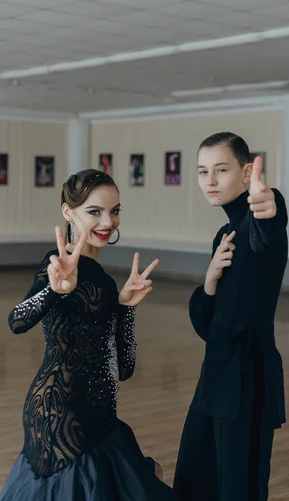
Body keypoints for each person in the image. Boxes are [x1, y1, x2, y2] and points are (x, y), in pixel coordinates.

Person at [1, 169, 176, 501]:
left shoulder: (103, 278)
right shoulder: (59, 264)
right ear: (68, 212)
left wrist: (126, 308)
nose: (108, 221)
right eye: (94, 211)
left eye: (114, 210)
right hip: (59, 416)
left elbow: (123, 369)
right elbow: (17, 320)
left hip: (99, 416)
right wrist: (53, 290)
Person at [173, 132, 288, 501]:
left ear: (246, 172)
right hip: (216, 376)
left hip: (248, 379)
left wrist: (270, 207)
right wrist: (208, 281)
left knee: (240, 486)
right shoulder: (224, 234)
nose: (210, 180)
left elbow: (268, 228)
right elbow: (207, 327)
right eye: (202, 171)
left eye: (220, 170)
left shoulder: (258, 218)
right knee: (194, 475)